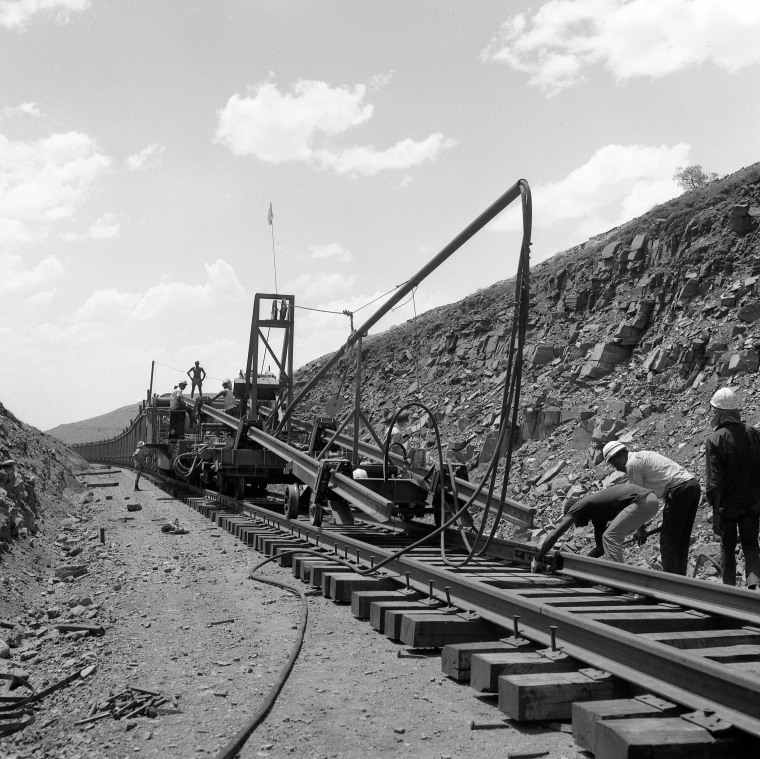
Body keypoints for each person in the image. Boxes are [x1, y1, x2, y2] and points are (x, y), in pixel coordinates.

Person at [602, 441, 701, 575]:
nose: (617, 469)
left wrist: (640, 529)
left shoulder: (632, 464)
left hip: (679, 490)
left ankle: (671, 584)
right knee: (680, 539)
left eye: (616, 464)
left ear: (623, 455)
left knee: (668, 541)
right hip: (692, 486)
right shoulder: (643, 456)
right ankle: (680, 581)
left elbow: (639, 498)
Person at [705, 387, 760, 589]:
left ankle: (729, 593)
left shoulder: (715, 439)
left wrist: (716, 516)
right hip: (752, 504)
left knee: (727, 549)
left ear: (720, 413)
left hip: (727, 507)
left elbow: (714, 483)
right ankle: (754, 587)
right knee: (751, 546)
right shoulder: (753, 433)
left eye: (714, 411)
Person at [532, 483, 658, 569]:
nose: (576, 526)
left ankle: (618, 579)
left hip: (643, 500)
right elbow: (601, 548)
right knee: (608, 538)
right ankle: (619, 576)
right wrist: (581, 563)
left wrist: (538, 559)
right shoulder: (598, 515)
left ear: (576, 513)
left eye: (574, 522)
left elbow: (555, 534)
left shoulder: (580, 505)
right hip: (649, 501)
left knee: (610, 537)